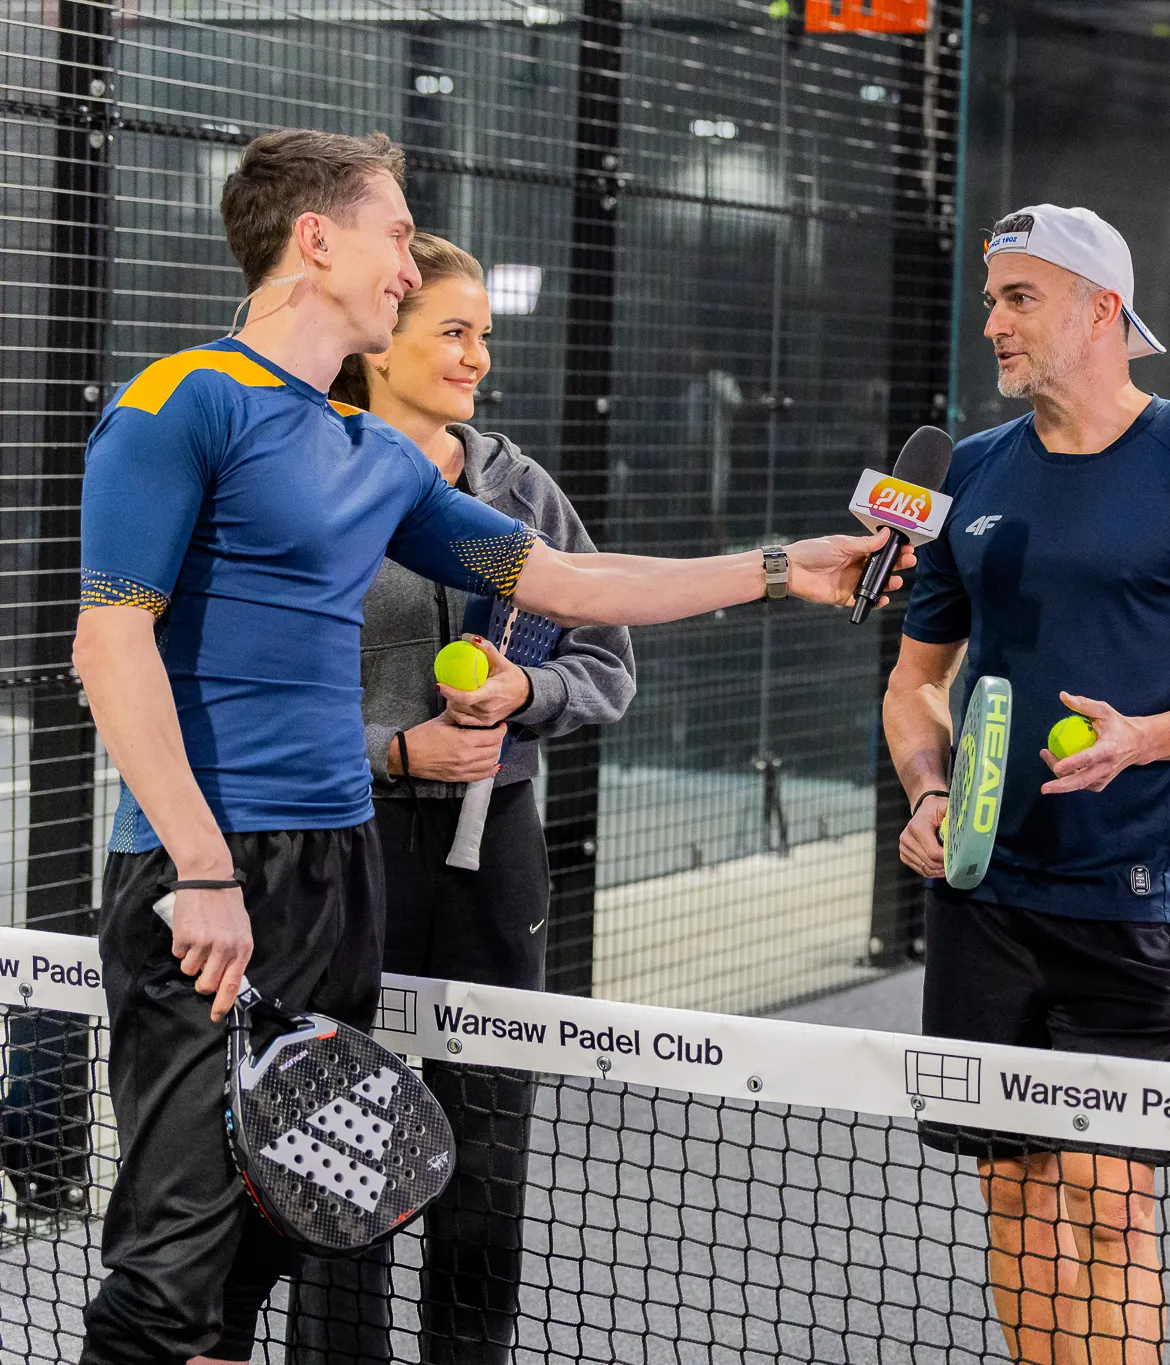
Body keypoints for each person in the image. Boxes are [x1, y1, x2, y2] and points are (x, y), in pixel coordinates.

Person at [72, 129, 908, 1365]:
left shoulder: (370, 458)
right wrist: (200, 869)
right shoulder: (179, 399)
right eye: (398, 235)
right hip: (206, 874)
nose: (412, 270)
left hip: (334, 874)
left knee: (259, 1253)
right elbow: (108, 646)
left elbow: (571, 579)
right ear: (318, 238)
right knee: (166, 1272)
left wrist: (784, 569)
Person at [883, 204, 1170, 1365]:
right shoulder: (968, 474)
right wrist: (928, 792)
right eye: (989, 299)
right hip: (981, 905)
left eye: (1017, 298)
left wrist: (1146, 738)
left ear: (1100, 311)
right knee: (1014, 1195)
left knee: (1111, 1203)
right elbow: (914, 685)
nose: (991, 324)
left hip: (1128, 901)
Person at [271, 233, 634, 1363]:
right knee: (340, 1142)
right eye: (453, 332)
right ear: (382, 343)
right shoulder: (306, 475)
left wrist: (527, 690)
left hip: (495, 860)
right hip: (346, 845)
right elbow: (264, 686)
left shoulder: (520, 489)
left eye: (485, 334)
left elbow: (608, 664)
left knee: (487, 1148)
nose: (477, 357)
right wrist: (395, 752)